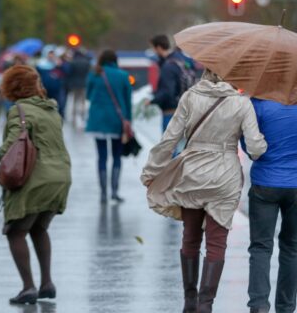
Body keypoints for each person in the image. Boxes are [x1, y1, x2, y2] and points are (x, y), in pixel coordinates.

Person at [141, 70, 267, 313]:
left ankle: (189, 301)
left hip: (193, 173)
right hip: (224, 177)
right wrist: (262, 144)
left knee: (190, 236)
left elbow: (170, 139)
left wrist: (151, 170)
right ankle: (205, 305)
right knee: (216, 243)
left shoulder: (190, 96)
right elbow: (255, 147)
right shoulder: (241, 103)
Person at [0, 65, 72, 305]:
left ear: (12, 86)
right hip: (60, 176)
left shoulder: (19, 110)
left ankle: (28, 287)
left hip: (36, 179)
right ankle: (47, 283)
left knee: (15, 231)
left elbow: (11, 146)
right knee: (39, 228)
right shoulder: (50, 109)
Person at [244, 98, 297, 313]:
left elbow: (250, 147)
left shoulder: (258, 104)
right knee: (292, 247)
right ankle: (286, 308)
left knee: (260, 247)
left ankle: (259, 305)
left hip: (265, 183)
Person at [86, 50, 133, 204]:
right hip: (117, 121)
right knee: (117, 156)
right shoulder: (123, 75)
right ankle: (114, 191)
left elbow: (88, 95)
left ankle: (103, 193)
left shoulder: (94, 74)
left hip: (97, 121)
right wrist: (128, 121)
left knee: (101, 156)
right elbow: (128, 101)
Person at [148, 35, 197, 132]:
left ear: (158, 48)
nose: (153, 51)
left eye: (153, 48)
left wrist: (152, 100)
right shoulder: (182, 60)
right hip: (187, 110)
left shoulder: (168, 67)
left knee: (170, 145)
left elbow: (167, 92)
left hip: (171, 112)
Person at [37, 48, 66, 117]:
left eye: (52, 54)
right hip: (44, 90)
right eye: (49, 54)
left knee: (58, 106)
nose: (51, 56)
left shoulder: (58, 64)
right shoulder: (40, 64)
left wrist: (61, 65)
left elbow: (67, 73)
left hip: (56, 90)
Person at [68, 49, 92, 126]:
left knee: (75, 101)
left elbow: (70, 73)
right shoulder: (86, 62)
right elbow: (89, 73)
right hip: (84, 84)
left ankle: (74, 118)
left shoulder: (73, 62)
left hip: (75, 84)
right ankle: (82, 116)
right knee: (83, 102)